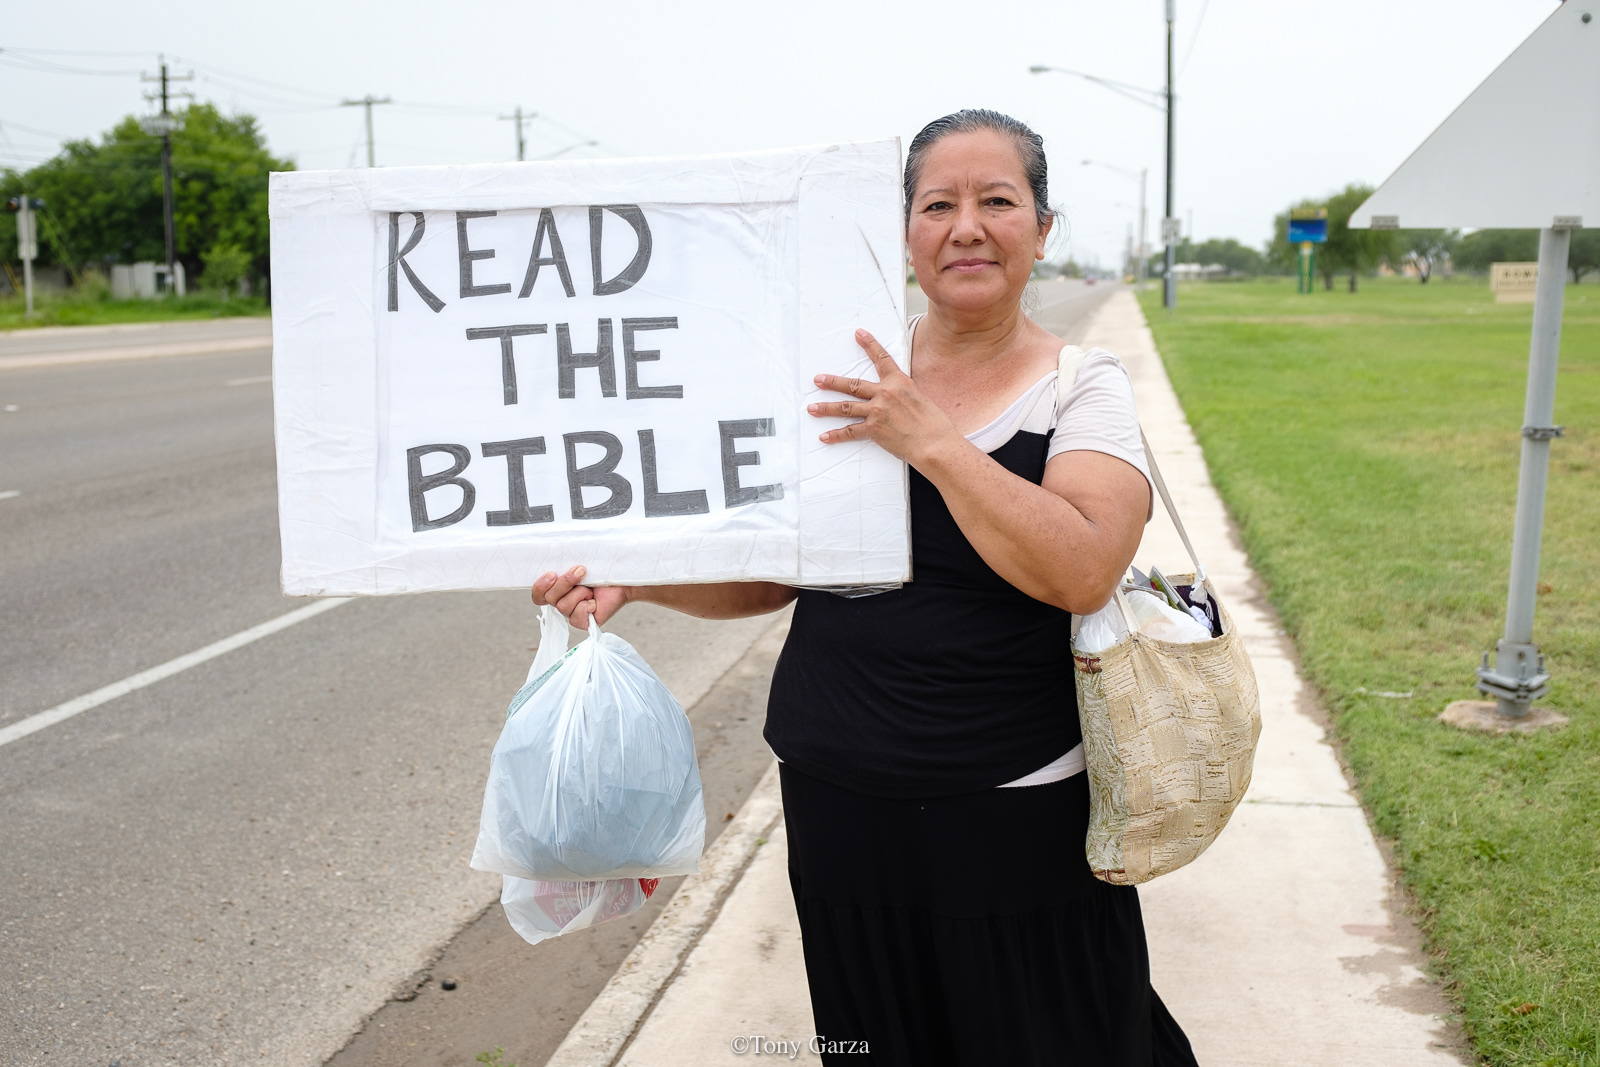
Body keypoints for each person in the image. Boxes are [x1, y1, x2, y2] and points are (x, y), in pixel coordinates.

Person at [534, 109, 1197, 1067]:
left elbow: (1081, 567)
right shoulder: (837, 377)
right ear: (905, 233)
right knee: (875, 1039)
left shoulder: (1080, 387)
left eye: (998, 201)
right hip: (839, 797)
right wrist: (638, 581)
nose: (966, 226)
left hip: (1014, 803)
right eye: (938, 204)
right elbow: (772, 577)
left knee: (1064, 1033)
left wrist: (929, 441)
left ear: (1043, 230)